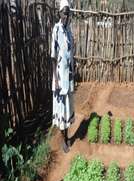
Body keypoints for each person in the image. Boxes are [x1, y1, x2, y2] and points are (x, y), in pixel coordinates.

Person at [51, 0, 75, 153]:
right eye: (64, 12)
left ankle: (67, 135)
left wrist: (73, 69)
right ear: (59, 13)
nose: (66, 15)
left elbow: (70, 52)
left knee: (67, 106)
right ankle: (63, 140)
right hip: (60, 75)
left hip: (69, 75)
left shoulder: (68, 30)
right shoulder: (56, 30)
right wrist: (56, 79)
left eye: (68, 13)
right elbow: (53, 56)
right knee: (61, 108)